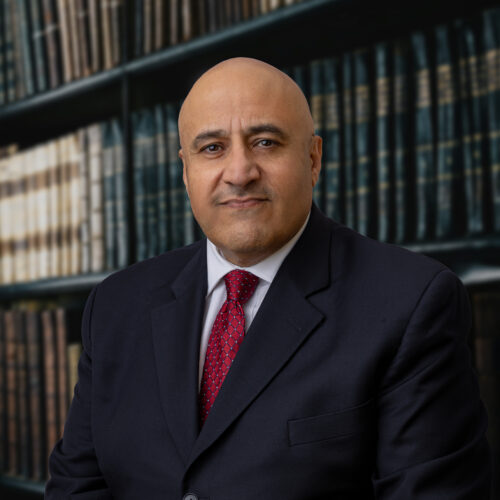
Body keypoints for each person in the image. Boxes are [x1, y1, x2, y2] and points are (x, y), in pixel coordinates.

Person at [46, 57, 491, 499]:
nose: (240, 173)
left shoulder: (411, 303)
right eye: (212, 148)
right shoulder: (115, 304)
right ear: (185, 172)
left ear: (313, 159)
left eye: (264, 142)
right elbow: (77, 488)